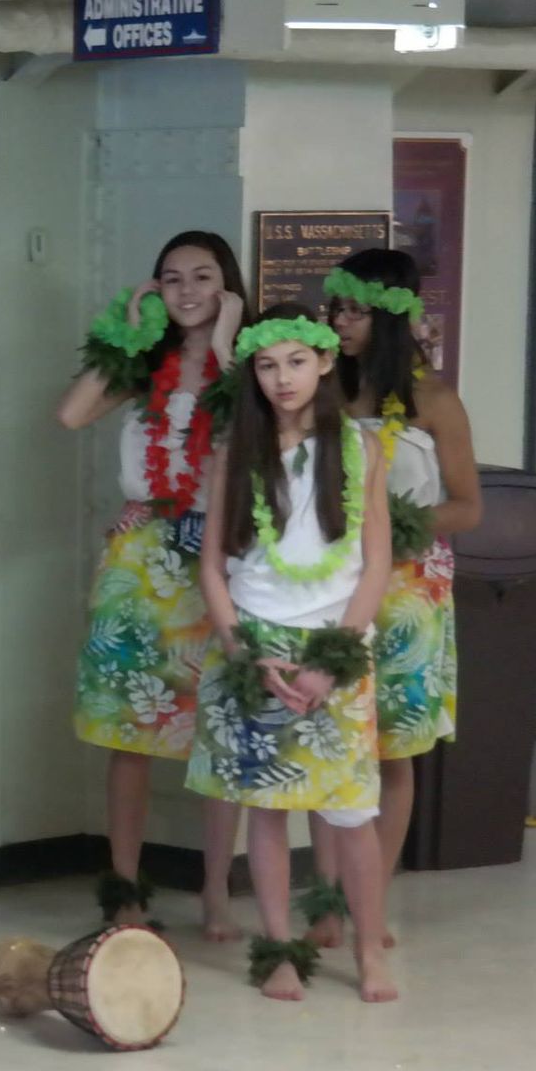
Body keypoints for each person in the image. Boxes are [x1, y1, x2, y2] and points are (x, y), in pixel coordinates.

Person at [185, 304, 397, 1003]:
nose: (282, 378)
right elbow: (214, 565)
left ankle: (369, 950)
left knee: (350, 813)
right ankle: (278, 948)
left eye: (296, 362)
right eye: (268, 365)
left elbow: (375, 566)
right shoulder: (235, 450)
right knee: (267, 807)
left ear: (325, 362)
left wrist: (333, 658)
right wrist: (244, 651)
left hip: (334, 647)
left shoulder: (361, 448)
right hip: (256, 647)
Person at [56, 231, 249, 939]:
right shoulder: (145, 364)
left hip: (220, 557)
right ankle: (127, 890)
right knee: (129, 733)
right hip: (142, 559)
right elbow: (72, 412)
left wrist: (228, 337)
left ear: (228, 285)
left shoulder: (258, 362)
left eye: (203, 277)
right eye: (171, 278)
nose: (188, 290)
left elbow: (251, 421)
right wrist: (126, 332)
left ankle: (217, 890)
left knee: (220, 731)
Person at [303, 249, 480, 950]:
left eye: (356, 311)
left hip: (410, 591)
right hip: (337, 585)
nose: (341, 323)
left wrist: (397, 523)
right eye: (337, 309)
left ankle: (369, 897)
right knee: (328, 742)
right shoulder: (325, 392)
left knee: (392, 749)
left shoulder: (434, 401)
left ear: (394, 316)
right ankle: (324, 902)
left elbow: (468, 508)